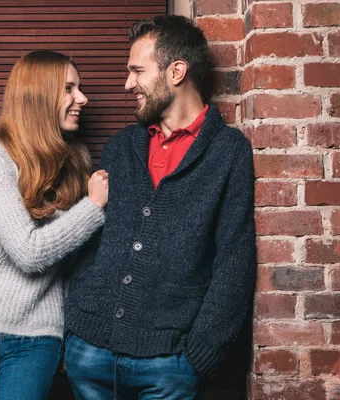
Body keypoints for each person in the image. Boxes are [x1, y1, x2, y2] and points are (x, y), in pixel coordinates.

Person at [64, 15, 256, 399]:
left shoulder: (227, 151)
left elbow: (234, 260)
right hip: (88, 352)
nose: (127, 83)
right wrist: (76, 322)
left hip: (169, 365)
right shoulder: (121, 148)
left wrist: (199, 355)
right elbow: (90, 241)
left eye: (138, 71)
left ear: (176, 71)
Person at [0, 50, 109, 400]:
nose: (82, 99)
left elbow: (76, 263)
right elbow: (28, 251)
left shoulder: (77, 167)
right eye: (70, 89)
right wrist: (92, 208)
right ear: (40, 96)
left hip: (37, 336)